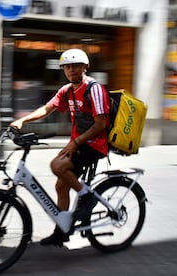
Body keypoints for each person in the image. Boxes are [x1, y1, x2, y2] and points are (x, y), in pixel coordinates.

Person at [10, 48, 110, 247]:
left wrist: (74, 143)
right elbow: (47, 109)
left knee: (57, 166)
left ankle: (87, 197)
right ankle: (62, 231)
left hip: (94, 144)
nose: (71, 70)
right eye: (67, 67)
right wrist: (22, 121)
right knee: (60, 185)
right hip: (79, 143)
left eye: (75, 66)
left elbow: (101, 124)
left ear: (85, 67)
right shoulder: (67, 91)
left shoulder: (94, 89)